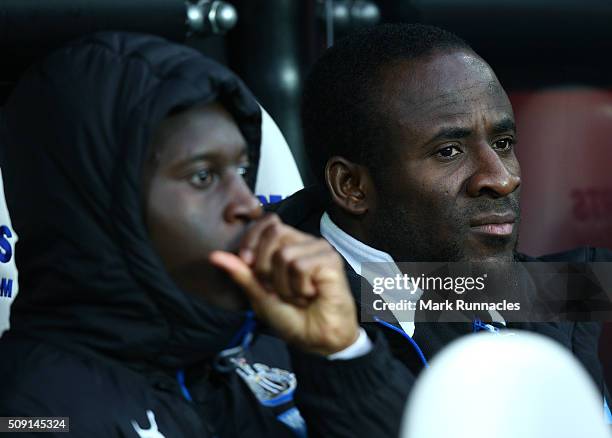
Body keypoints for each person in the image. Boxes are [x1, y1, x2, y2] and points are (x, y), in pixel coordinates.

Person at [0, 32, 413, 437]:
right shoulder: (30, 414)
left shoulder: (249, 360)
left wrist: (343, 357)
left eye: (241, 172)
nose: (248, 204)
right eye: (203, 176)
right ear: (97, 206)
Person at [271, 23, 610, 395]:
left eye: (503, 142)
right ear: (352, 187)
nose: (501, 179)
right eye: (448, 151)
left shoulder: (551, 290)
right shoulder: (270, 329)